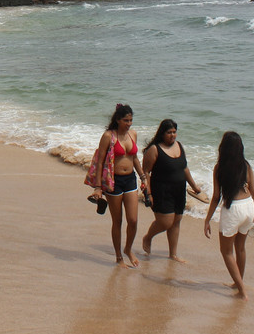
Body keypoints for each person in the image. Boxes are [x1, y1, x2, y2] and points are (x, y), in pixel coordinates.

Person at [87, 103, 147, 268]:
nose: (129, 124)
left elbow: (134, 158)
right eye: (126, 120)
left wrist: (143, 177)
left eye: (131, 120)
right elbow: (100, 162)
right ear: (118, 120)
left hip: (130, 180)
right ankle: (119, 257)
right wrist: (98, 187)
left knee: (133, 220)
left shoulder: (132, 134)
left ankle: (128, 249)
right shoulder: (108, 136)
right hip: (113, 182)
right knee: (118, 221)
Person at [204, 131, 254, 300]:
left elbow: (216, 197)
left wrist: (207, 220)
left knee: (226, 252)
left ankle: (242, 291)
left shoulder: (219, 168)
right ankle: (238, 282)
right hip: (248, 205)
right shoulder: (246, 165)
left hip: (233, 209)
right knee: (240, 248)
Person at [142, 118, 203, 262]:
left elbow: (184, 168)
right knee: (165, 222)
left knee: (176, 221)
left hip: (179, 189)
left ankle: (173, 254)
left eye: (174, 132)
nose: (173, 135)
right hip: (161, 190)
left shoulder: (179, 146)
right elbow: (146, 173)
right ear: (162, 133)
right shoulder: (154, 149)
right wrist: (148, 193)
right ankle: (148, 237)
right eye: (169, 132)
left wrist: (194, 186)